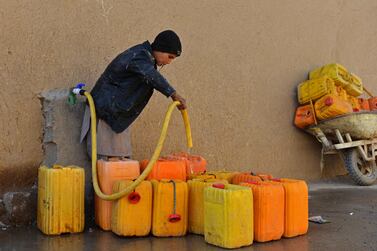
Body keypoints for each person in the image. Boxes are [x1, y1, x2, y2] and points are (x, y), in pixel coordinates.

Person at [80, 30, 186, 159]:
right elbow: (151, 75)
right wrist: (173, 94)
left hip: (116, 115)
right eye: (170, 57)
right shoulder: (139, 55)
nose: (170, 62)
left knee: (120, 160)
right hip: (105, 111)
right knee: (107, 160)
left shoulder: (147, 59)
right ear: (160, 48)